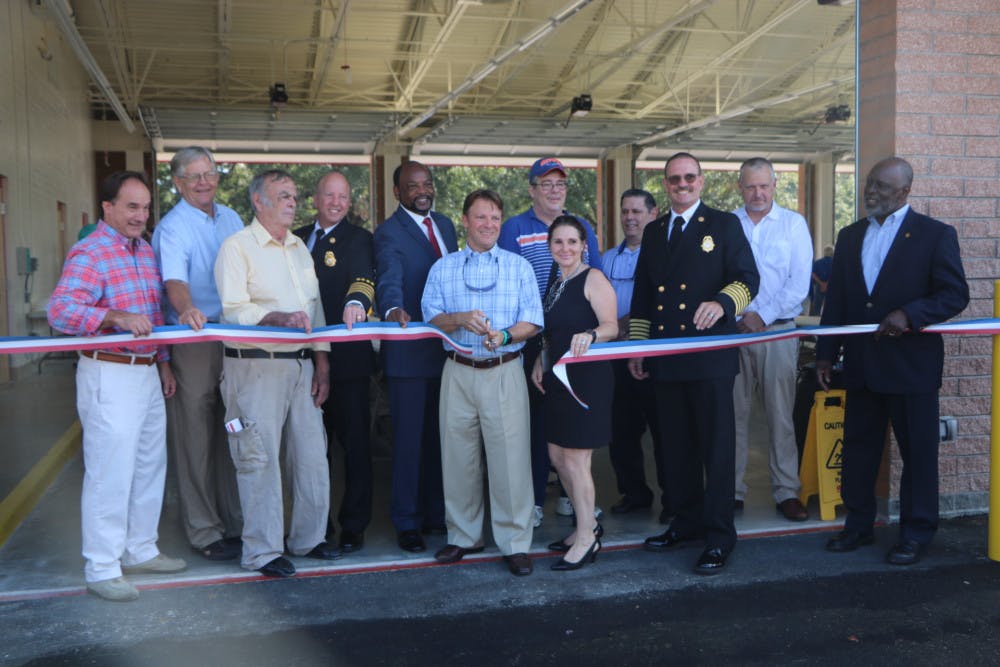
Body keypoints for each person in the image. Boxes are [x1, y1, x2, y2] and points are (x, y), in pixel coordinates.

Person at [817, 157, 969, 566]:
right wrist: (826, 354)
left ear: (905, 191)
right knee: (859, 450)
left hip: (911, 368)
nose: (871, 192)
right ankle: (859, 525)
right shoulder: (850, 237)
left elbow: (955, 294)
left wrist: (910, 315)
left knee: (918, 454)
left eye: (882, 187)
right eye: (869, 183)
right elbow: (838, 303)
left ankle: (916, 533)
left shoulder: (935, 235)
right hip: (862, 366)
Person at [48, 171, 188, 602]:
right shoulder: (89, 252)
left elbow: (154, 315)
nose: (140, 215)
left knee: (149, 465)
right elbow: (61, 311)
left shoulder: (143, 251)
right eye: (131, 206)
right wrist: (112, 316)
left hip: (145, 371)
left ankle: (139, 549)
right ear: (107, 207)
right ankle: (103, 566)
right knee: (111, 471)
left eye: (145, 207)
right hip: (109, 372)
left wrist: (162, 363)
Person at [629, 152, 759, 575]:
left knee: (715, 451)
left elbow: (747, 279)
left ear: (701, 182)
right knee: (675, 448)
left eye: (689, 178)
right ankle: (684, 523)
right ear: (665, 185)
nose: (681, 185)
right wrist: (638, 346)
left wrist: (722, 304)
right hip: (668, 357)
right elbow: (644, 294)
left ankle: (720, 537)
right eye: (673, 180)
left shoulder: (723, 225)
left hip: (709, 357)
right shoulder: (654, 232)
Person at [214, 169, 340, 578]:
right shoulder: (237, 247)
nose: (292, 202)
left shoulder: (300, 247)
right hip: (254, 366)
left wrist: (322, 359)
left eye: (293, 195)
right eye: (282, 195)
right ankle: (262, 551)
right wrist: (275, 318)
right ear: (258, 201)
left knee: (310, 456)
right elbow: (233, 309)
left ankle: (309, 538)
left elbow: (315, 306)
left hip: (301, 366)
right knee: (258, 459)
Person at [421, 189, 543, 577]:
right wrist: (458, 318)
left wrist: (505, 336)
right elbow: (431, 316)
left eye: (494, 218)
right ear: (465, 221)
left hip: (504, 369)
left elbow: (533, 321)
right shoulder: (444, 267)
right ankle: (463, 536)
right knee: (458, 458)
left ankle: (514, 542)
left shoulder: (518, 266)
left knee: (511, 461)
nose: (488, 225)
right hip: (457, 369)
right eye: (480, 217)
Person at [498, 157, 603, 527]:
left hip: (574, 343)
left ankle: (577, 505)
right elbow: (507, 281)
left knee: (572, 430)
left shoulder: (581, 226)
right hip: (531, 342)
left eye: (560, 184)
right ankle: (537, 497)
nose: (555, 190)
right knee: (538, 424)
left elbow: (597, 279)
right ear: (532, 189)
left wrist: (592, 333)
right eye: (546, 184)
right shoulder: (513, 228)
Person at [151, 146, 243, 562]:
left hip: (235, 336)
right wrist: (188, 309)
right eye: (195, 175)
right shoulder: (172, 228)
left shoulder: (232, 218)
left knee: (234, 431)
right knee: (196, 437)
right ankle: (204, 531)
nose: (205, 181)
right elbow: (174, 282)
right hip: (194, 339)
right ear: (178, 182)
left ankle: (236, 521)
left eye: (210, 172)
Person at [374, 160, 458, 553]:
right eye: (413, 186)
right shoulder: (389, 232)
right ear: (397, 193)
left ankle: (436, 513)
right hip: (408, 352)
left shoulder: (445, 225)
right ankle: (407, 521)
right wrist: (391, 309)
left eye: (427, 184)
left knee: (441, 438)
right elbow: (389, 277)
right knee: (409, 441)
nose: (422, 191)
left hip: (448, 352)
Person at [294, 171, 376, 554]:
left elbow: (363, 279)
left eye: (343, 196)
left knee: (355, 443)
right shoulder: (293, 237)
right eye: (330, 195)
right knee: (311, 447)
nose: (337, 203)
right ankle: (317, 524)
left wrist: (356, 302)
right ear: (316, 198)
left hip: (348, 359)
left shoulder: (359, 239)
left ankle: (353, 524)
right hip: (301, 358)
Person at [531, 216, 618, 570]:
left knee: (577, 459)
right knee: (556, 454)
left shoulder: (592, 278)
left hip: (587, 379)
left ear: (585, 245)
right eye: (558, 242)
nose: (565, 249)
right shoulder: (555, 281)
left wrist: (593, 335)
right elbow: (553, 331)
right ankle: (588, 523)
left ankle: (586, 537)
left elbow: (612, 325)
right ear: (550, 247)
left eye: (572, 242)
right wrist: (540, 356)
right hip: (558, 377)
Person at [731, 158, 813, 521]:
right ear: (740, 187)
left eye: (764, 185)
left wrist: (761, 315)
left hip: (778, 329)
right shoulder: (727, 224)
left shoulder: (794, 224)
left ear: (775, 185)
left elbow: (799, 283)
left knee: (781, 413)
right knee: (731, 415)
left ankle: (786, 491)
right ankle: (730, 491)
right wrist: (737, 315)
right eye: (751, 186)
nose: (758, 193)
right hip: (731, 333)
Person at [602, 189, 667, 521]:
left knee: (663, 429)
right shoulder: (607, 258)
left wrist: (629, 323)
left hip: (652, 353)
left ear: (653, 215)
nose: (630, 217)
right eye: (625, 211)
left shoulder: (664, 254)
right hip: (616, 355)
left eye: (637, 212)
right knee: (621, 430)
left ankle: (673, 498)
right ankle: (634, 493)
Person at [810, 245, 834, 315]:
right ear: (832, 253)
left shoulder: (817, 262)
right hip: (831, 286)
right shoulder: (836, 262)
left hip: (819, 286)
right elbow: (836, 274)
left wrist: (821, 284)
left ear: (824, 253)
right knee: (831, 306)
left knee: (817, 306)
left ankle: (815, 321)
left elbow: (813, 274)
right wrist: (827, 284)